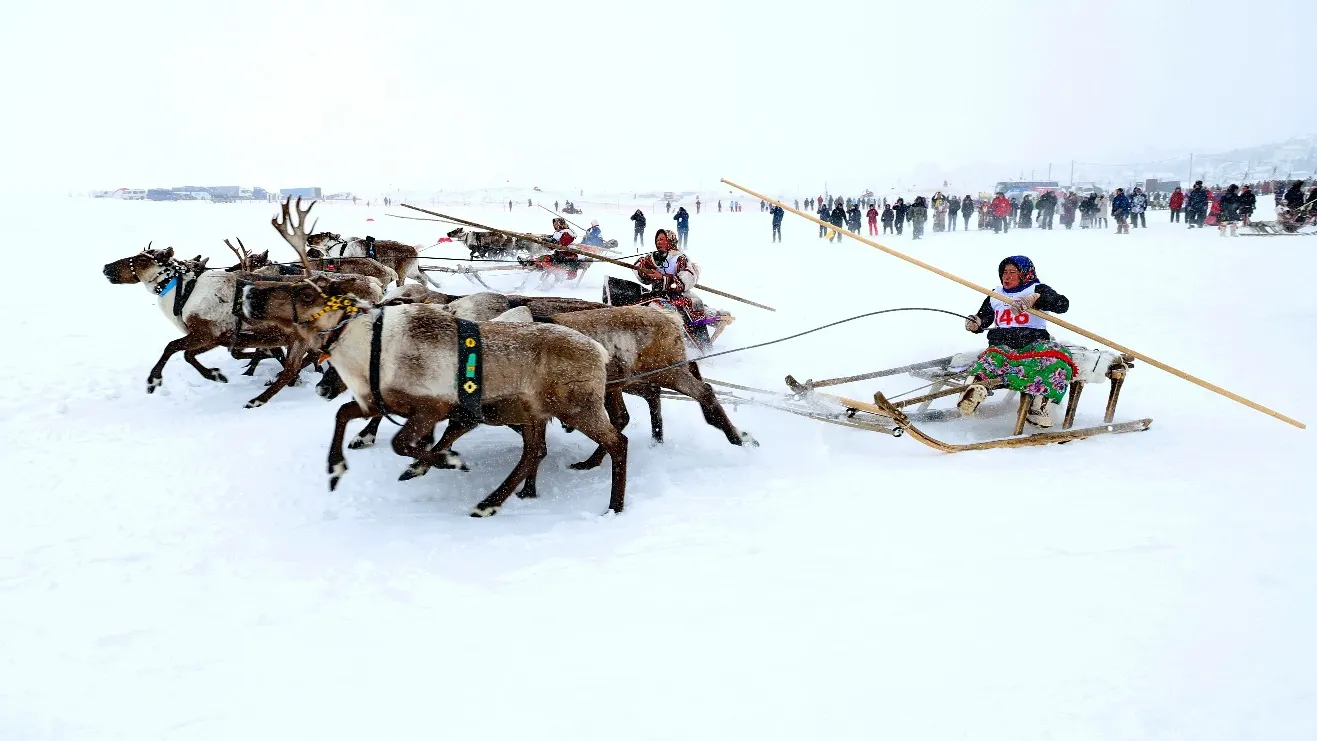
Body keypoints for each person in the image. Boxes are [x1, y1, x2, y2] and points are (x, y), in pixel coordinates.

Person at [958, 256, 1075, 428]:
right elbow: (984, 317)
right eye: (1004, 272)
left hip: (1033, 345)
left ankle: (1038, 407)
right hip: (1003, 346)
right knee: (990, 360)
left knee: (1056, 359)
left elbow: (1062, 305)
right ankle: (971, 392)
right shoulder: (995, 295)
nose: (1007, 276)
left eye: (1012, 272)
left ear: (1024, 274)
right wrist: (976, 322)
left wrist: (1034, 299)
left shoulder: (1036, 288)